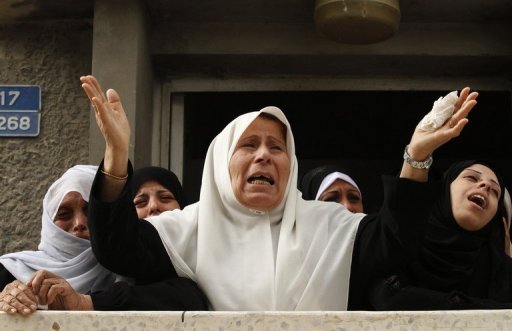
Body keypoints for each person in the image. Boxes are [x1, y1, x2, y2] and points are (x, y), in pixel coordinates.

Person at [80, 74, 478, 310]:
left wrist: (416, 157)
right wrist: (116, 157)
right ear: (221, 162)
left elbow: (396, 240)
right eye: (249, 145)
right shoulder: (184, 229)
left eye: (277, 148)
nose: (265, 157)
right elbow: (116, 247)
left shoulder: (331, 226)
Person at [370, 159, 512, 310]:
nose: (487, 185)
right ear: (444, 190)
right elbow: (386, 297)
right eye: (471, 178)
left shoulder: (502, 272)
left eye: (496, 192)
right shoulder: (398, 241)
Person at [0, 165, 115, 315]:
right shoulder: (8, 271)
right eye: (64, 214)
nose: (79, 223)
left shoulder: (128, 273)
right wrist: (7, 301)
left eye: (91, 211)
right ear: (49, 223)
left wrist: (84, 302)